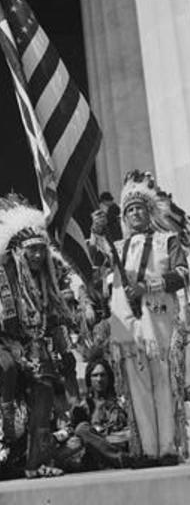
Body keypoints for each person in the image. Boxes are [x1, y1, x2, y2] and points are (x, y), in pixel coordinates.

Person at [98, 170, 190, 465]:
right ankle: (147, 450)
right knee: (137, 388)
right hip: (128, 325)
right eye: (129, 210)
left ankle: (168, 449)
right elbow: (95, 260)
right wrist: (97, 230)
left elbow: (182, 274)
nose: (135, 213)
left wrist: (149, 286)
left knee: (164, 383)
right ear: (124, 217)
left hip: (160, 321)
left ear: (149, 211)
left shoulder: (168, 240)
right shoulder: (119, 248)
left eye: (139, 208)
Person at [0, 196, 90, 477]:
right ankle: (6, 427)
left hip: (36, 348)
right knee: (9, 369)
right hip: (7, 344)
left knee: (45, 389)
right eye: (32, 251)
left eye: (41, 250)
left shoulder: (47, 282)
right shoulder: (6, 277)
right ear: (19, 253)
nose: (37, 255)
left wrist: (65, 351)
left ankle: (35, 462)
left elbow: (54, 321)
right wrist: (13, 347)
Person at [70, 357, 130, 469]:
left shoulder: (121, 401)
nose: (99, 379)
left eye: (103, 375)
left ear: (109, 378)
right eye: (95, 375)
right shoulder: (83, 406)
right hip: (94, 453)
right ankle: (119, 458)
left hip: (118, 441)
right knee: (82, 428)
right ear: (89, 379)